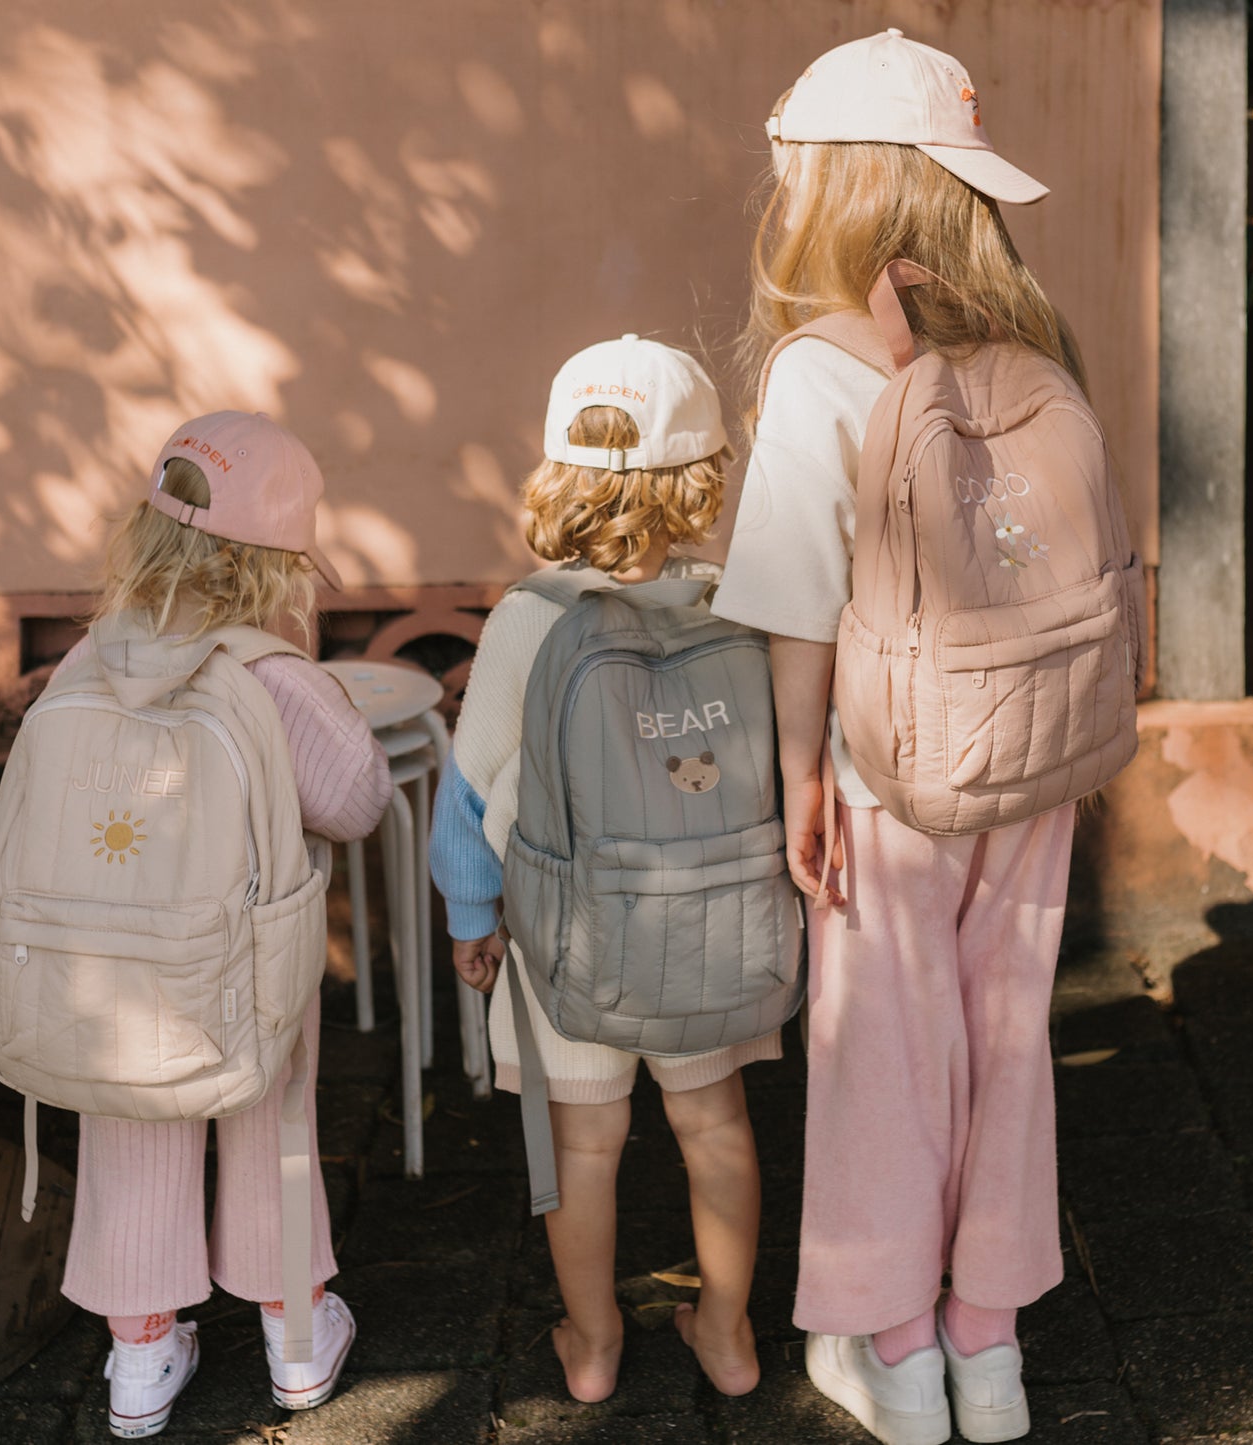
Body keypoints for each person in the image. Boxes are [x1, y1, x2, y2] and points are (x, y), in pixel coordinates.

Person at [712, 30, 1088, 1445]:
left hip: (890, 769)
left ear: (830, 190)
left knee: (884, 1054)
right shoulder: (1036, 345)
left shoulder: (818, 370)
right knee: (1006, 1041)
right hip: (1034, 761)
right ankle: (990, 1355)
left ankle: (903, 1353)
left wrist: (799, 774)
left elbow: (797, 605)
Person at [430, 336, 778, 1404]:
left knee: (585, 1145)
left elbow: (471, 792)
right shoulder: (741, 605)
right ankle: (724, 1331)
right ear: (701, 476)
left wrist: (470, 912)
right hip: (714, 926)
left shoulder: (527, 621)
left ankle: (591, 1343)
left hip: (566, 938)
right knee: (713, 1123)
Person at [58, 412, 391, 1437]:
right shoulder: (267, 675)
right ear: (275, 561)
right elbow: (359, 796)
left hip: (111, 966)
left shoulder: (84, 662)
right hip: (246, 965)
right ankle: (293, 1332)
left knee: (130, 1119)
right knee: (268, 1121)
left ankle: (142, 1350)